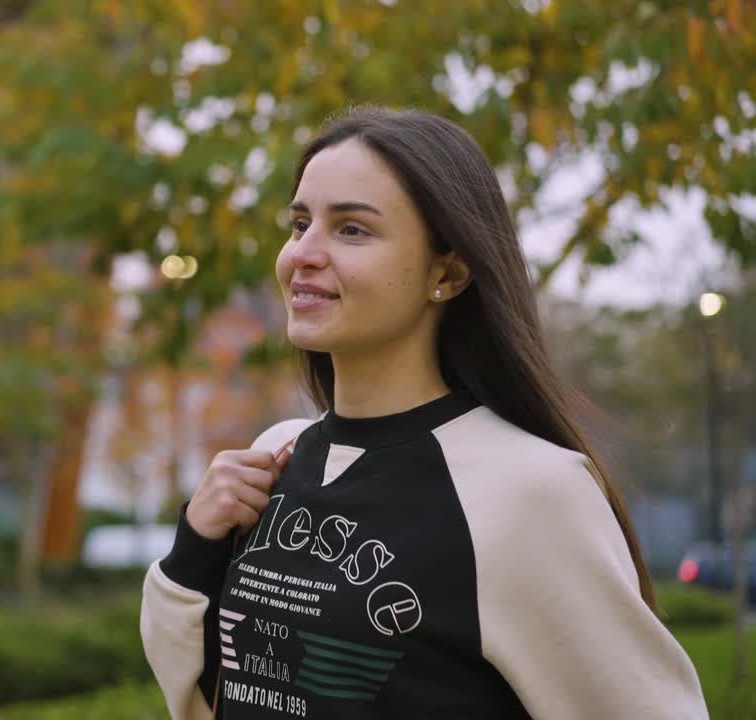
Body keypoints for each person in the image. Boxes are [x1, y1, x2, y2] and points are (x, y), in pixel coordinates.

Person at [140, 107, 707, 719]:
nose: (303, 252)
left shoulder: (534, 489)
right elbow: (213, 694)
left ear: (448, 272)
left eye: (351, 229)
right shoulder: (276, 455)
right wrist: (196, 545)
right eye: (300, 223)